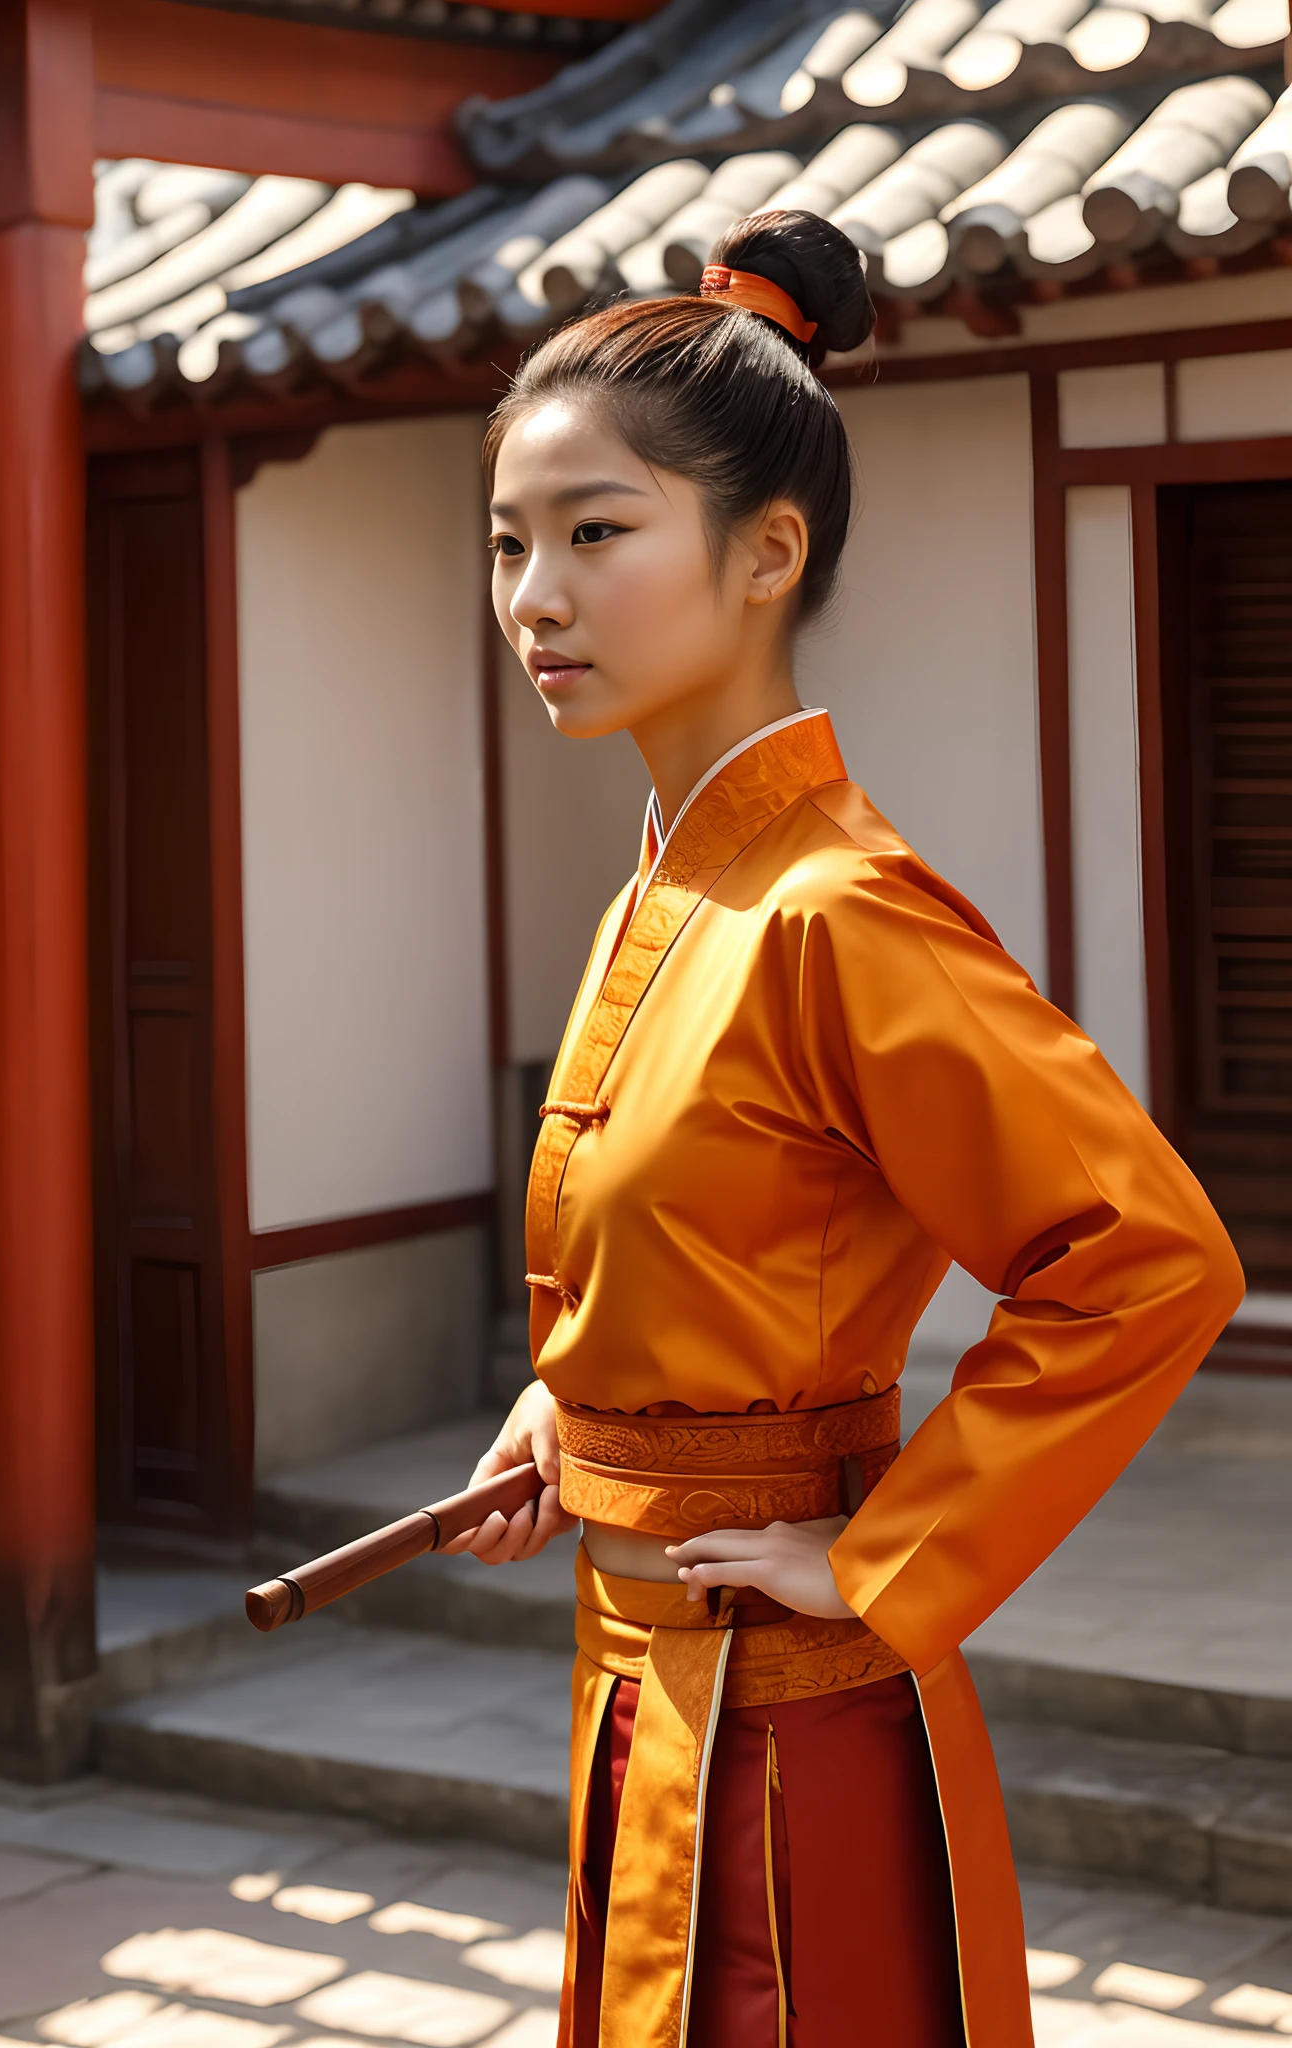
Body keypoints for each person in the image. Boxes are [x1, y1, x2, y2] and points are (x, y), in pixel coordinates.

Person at [447, 208, 1244, 2048]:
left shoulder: (836, 910)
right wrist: (571, 1408)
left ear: (766, 553)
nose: (533, 599)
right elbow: (714, 1253)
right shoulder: (666, 893)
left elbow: (1148, 1259)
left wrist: (882, 1553)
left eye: (594, 532)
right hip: (639, 1677)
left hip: (789, 1723)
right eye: (507, 544)